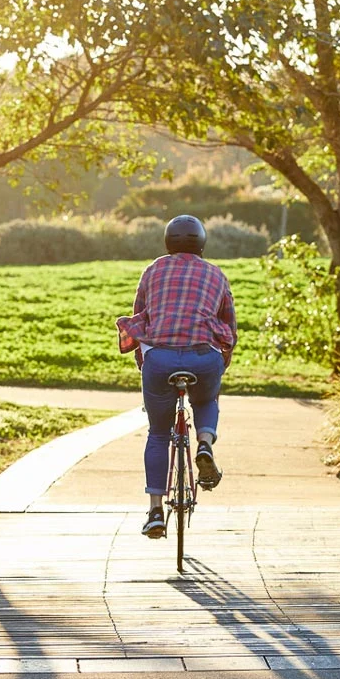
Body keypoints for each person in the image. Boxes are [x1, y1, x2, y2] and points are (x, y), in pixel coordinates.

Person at [116, 215, 237, 539]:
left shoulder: (153, 269)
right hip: (203, 357)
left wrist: (146, 360)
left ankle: (156, 511)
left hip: (161, 358)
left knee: (158, 433)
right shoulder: (215, 273)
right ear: (202, 242)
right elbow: (229, 325)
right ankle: (204, 444)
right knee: (207, 398)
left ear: (168, 241)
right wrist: (222, 361)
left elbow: (142, 314)